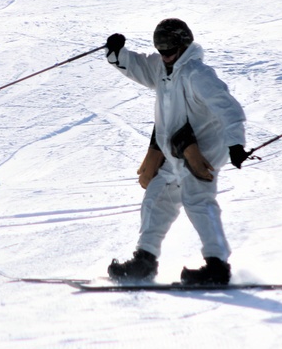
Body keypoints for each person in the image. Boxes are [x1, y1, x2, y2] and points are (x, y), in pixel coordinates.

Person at [105, 18, 250, 285]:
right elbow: (138, 66)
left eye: (169, 46)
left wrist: (235, 144)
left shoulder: (197, 73)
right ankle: (144, 261)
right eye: (159, 47)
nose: (164, 52)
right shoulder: (162, 68)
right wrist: (117, 54)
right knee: (157, 197)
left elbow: (228, 107)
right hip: (175, 149)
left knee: (198, 201)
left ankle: (217, 265)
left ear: (183, 44)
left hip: (202, 151)